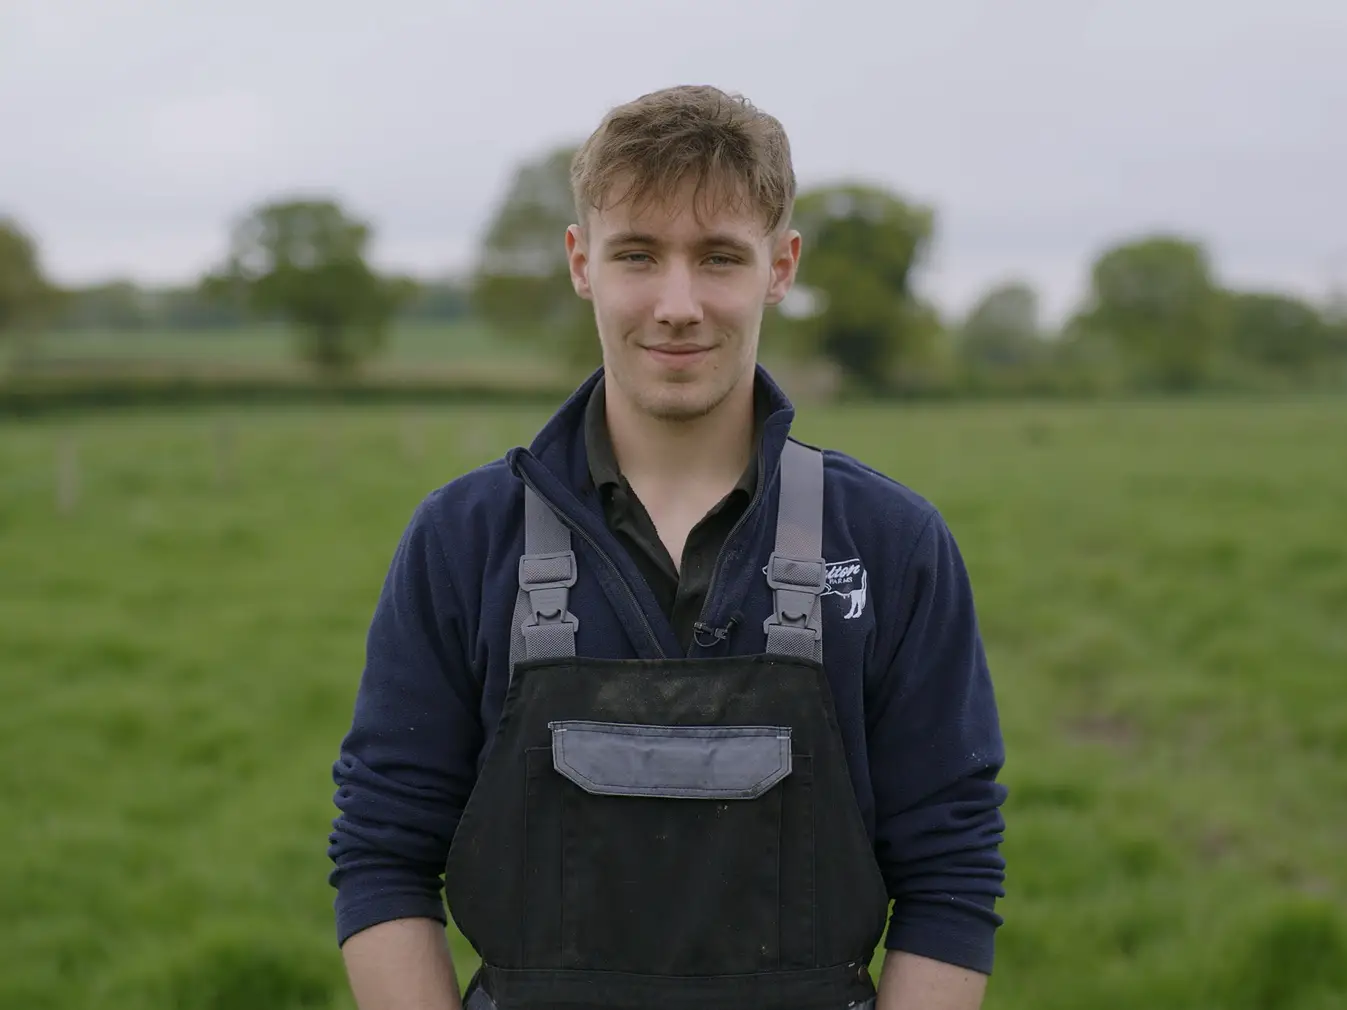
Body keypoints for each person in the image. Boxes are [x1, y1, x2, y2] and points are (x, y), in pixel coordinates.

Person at [327, 84, 1008, 1010]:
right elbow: (382, 852)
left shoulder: (891, 545)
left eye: (718, 257)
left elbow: (950, 872)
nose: (677, 304)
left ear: (780, 267)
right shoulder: (462, 540)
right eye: (637, 255)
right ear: (582, 262)